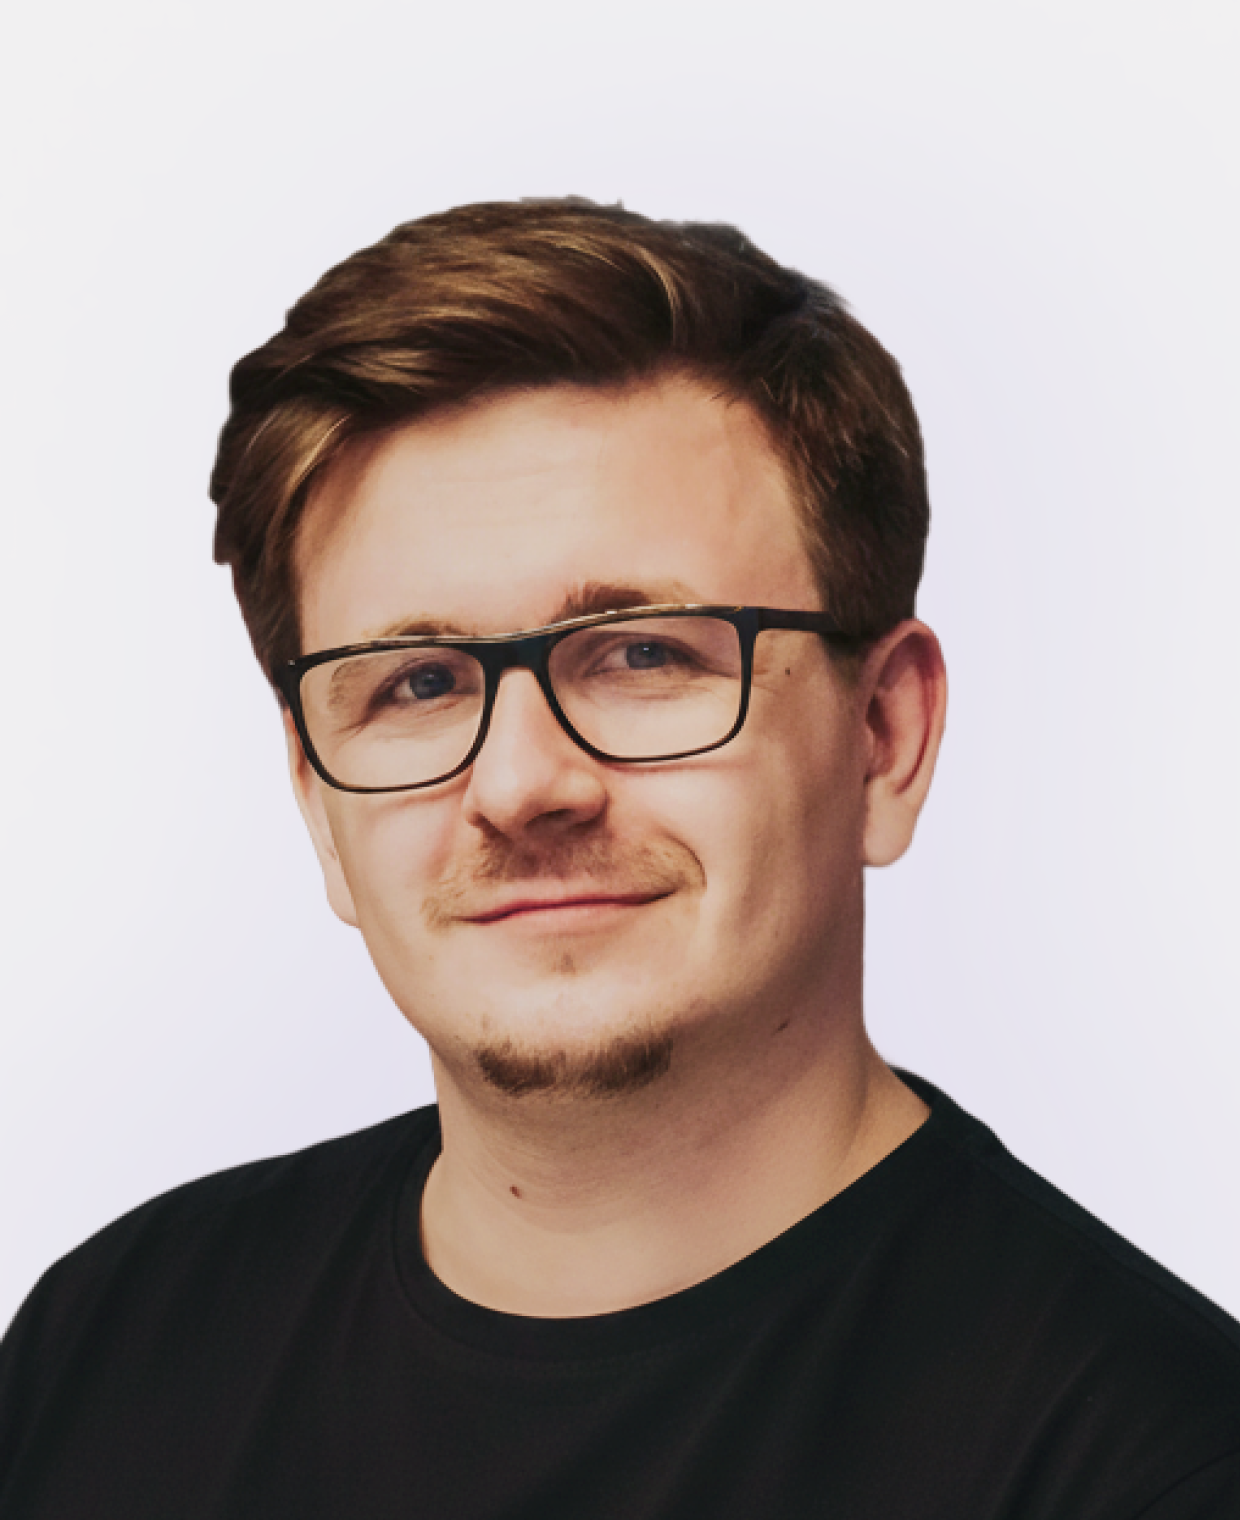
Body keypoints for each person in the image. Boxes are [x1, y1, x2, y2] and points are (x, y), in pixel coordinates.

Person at [1, 198, 1237, 1519]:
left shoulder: (1153, 1465)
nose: (521, 786)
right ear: (318, 803)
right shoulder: (108, 1348)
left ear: (884, 737)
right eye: (418, 683)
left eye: (644, 654)